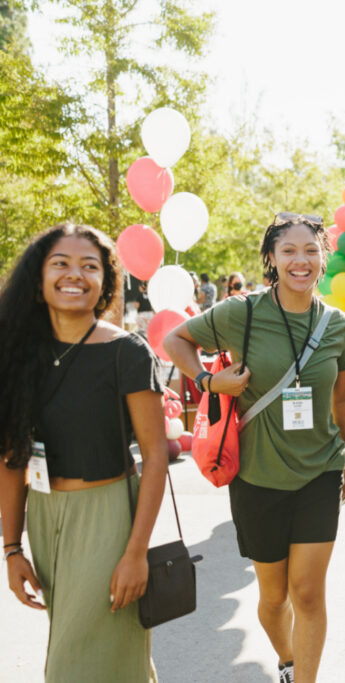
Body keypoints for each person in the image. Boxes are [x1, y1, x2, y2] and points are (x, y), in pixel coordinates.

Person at [163, 212, 345, 683]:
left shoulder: (337, 325)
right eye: (288, 250)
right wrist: (209, 380)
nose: (300, 260)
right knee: (275, 598)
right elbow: (176, 339)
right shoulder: (242, 313)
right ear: (271, 258)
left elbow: (342, 397)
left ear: (323, 259)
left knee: (308, 593)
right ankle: (290, 661)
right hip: (256, 476)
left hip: (319, 471)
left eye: (311, 250)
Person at [0, 223, 167, 682]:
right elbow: (12, 457)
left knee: (74, 664)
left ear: (105, 281)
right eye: (61, 263)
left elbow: (156, 457)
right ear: (38, 279)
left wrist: (136, 553)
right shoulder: (16, 353)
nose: (74, 274)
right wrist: (12, 549)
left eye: (89, 266)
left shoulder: (126, 352)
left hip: (109, 517)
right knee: (102, 652)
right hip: (45, 517)